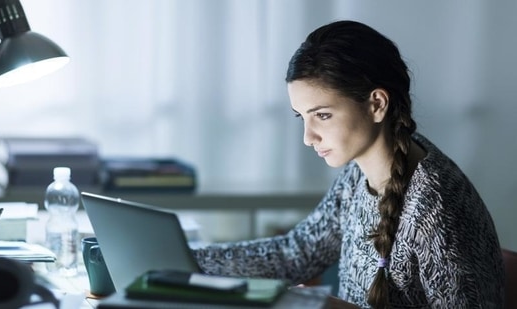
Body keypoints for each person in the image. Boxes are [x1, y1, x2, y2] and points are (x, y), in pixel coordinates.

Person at [192, 20, 505, 308]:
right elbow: (297, 252)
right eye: (302, 117)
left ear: (377, 104)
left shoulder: (438, 210)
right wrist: (189, 261)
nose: (308, 137)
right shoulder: (359, 174)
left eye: (323, 115)